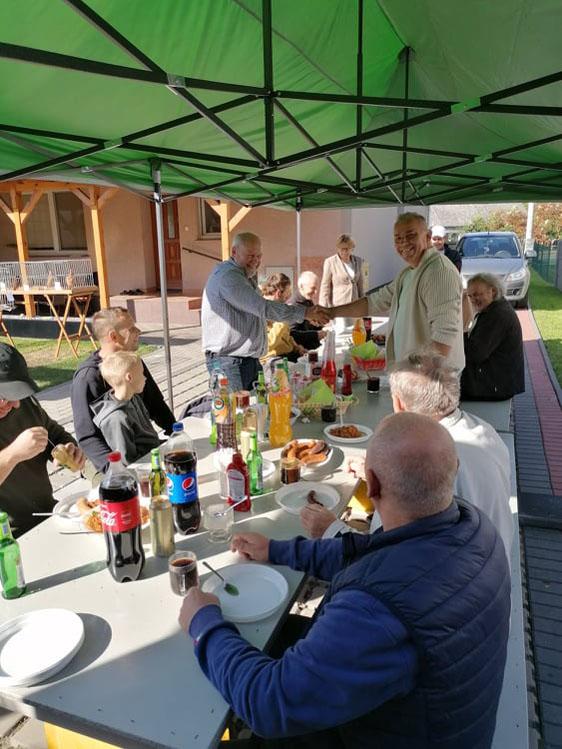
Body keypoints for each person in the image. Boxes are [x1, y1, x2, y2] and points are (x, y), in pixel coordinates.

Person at [179, 413, 511, 749]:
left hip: (384, 734)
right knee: (282, 634)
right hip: (428, 718)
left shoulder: (378, 613)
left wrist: (204, 626)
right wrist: (276, 550)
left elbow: (269, 704)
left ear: (372, 483)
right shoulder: (472, 526)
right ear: (452, 471)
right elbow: (366, 553)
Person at [303, 353, 513, 565]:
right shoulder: (484, 431)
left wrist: (331, 531)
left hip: (448, 575)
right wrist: (387, 474)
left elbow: (388, 558)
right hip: (492, 563)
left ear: (399, 404)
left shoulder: (423, 460)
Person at [326, 213, 464, 371]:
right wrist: (330, 312)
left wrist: (420, 379)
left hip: (430, 378)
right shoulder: (408, 273)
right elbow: (374, 302)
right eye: (398, 239)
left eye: (411, 235)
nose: (404, 243)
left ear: (427, 237)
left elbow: (444, 336)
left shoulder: (439, 272)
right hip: (410, 374)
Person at [201, 232, 329, 391]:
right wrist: (306, 313)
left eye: (258, 256)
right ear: (234, 252)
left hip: (247, 360)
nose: (255, 261)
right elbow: (263, 307)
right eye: (250, 255)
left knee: (256, 406)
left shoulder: (244, 275)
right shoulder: (229, 277)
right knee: (237, 407)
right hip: (230, 363)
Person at [71, 307, 175, 471]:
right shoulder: (87, 378)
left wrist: (175, 432)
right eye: (131, 329)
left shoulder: (132, 363)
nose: (138, 332)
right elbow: (88, 438)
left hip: (142, 453)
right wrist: (115, 471)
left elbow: (156, 404)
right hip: (106, 464)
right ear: (113, 336)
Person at [0, 344, 85, 536]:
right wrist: (13, 454)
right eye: (5, 396)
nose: (15, 404)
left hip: (47, 514)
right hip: (8, 535)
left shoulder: (25, 403)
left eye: (18, 394)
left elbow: (53, 433)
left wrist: (70, 449)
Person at [90, 351, 161, 465]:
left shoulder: (133, 398)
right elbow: (128, 461)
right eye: (142, 373)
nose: (145, 378)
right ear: (129, 377)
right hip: (143, 466)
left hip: (155, 453)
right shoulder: (117, 418)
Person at [462, 273, 524, 400]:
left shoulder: (497, 314)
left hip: (496, 385)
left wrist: (455, 340)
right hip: (497, 379)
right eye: (470, 296)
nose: (473, 300)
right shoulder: (495, 308)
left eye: (477, 294)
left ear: (493, 291)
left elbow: (476, 353)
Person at [259, 273, 307, 366]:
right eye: (287, 295)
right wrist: (282, 322)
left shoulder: (275, 308)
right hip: (272, 360)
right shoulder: (261, 311)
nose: (289, 298)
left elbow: (285, 337)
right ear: (278, 293)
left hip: (287, 355)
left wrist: (297, 347)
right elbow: (268, 344)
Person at [319, 234, 364, 307]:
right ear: (338, 249)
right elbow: (325, 286)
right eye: (342, 249)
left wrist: (363, 303)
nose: (344, 252)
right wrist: (323, 306)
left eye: (347, 249)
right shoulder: (330, 262)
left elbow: (360, 285)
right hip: (338, 304)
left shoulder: (358, 261)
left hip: (354, 304)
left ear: (352, 248)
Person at [289, 271, 325, 351]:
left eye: (316, 288)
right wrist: (316, 335)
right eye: (313, 288)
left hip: (313, 347)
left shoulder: (308, 301)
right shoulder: (294, 305)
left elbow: (312, 325)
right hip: (302, 351)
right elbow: (291, 334)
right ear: (302, 287)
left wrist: (321, 326)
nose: (316, 292)